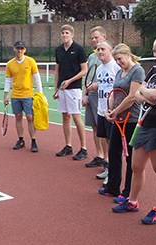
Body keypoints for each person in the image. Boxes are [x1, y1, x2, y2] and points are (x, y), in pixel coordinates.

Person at [110, 35, 156, 222]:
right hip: (144, 122)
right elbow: (140, 95)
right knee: (136, 166)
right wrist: (150, 96)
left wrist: (150, 95)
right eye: (154, 51)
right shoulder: (155, 69)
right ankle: (132, 200)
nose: (155, 54)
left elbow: (154, 95)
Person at [98, 43, 144, 203]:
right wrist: (109, 110)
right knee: (113, 153)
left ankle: (127, 192)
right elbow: (113, 93)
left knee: (130, 157)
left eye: (120, 59)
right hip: (117, 120)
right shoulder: (119, 72)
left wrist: (116, 111)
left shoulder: (137, 70)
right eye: (116, 60)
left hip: (131, 120)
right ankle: (112, 187)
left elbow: (132, 97)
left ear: (128, 54)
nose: (118, 62)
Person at [87, 40, 121, 184]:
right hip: (101, 110)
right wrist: (94, 86)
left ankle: (113, 173)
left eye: (103, 49)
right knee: (106, 141)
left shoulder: (116, 67)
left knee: (114, 144)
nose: (100, 51)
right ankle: (107, 167)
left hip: (112, 111)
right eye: (98, 49)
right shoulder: (99, 69)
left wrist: (113, 108)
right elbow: (101, 85)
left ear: (110, 51)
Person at [53, 24, 89, 161]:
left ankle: (83, 148)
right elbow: (57, 70)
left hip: (74, 88)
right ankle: (68, 146)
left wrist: (69, 81)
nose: (64, 35)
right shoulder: (58, 50)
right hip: (62, 89)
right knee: (65, 116)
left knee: (76, 116)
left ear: (72, 35)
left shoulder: (78, 49)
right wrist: (56, 88)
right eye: (62, 33)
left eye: (67, 33)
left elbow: (84, 70)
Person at [4, 40, 44, 153]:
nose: (20, 50)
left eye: (22, 48)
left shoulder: (31, 61)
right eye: (18, 48)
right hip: (15, 95)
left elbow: (37, 78)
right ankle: (21, 140)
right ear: (14, 49)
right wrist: (5, 95)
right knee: (18, 117)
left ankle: (33, 140)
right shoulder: (10, 64)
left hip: (28, 95)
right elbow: (8, 80)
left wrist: (40, 93)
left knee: (30, 118)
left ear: (25, 50)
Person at [83, 26, 110, 170]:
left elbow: (110, 80)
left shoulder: (109, 56)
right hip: (91, 95)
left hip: (103, 97)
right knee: (95, 127)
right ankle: (99, 155)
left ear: (104, 37)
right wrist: (84, 94)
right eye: (92, 38)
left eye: (97, 37)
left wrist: (97, 86)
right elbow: (87, 77)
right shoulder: (92, 57)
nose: (94, 40)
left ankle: (107, 159)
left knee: (104, 129)